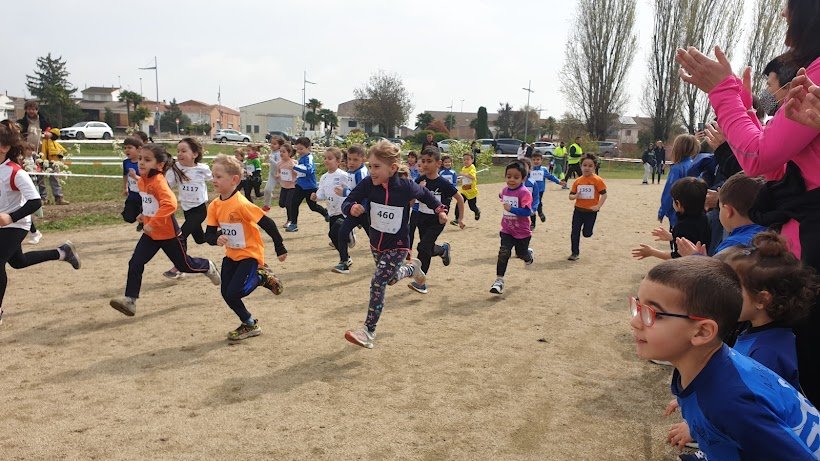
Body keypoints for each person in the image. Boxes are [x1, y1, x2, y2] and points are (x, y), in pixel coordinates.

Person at [677, 0, 820, 405]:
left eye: (789, 8)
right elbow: (779, 168)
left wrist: (724, 95)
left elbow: (759, 157)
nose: (783, 16)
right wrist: (740, 107)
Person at [631, 256, 820, 460]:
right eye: (638, 306)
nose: (634, 321)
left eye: (655, 313)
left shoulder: (730, 403)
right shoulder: (715, 366)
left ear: (702, 332)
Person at [341, 141, 444, 349]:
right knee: (390, 279)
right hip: (376, 243)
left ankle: (368, 331)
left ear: (393, 169)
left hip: (397, 245)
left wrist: (439, 209)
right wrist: (351, 207)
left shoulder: (405, 187)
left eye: (377, 166)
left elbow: (426, 195)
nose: (372, 171)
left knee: (378, 282)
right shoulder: (368, 184)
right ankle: (412, 268)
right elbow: (348, 200)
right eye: (370, 166)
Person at [108, 144, 221, 317]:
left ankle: (207, 266)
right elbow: (151, 204)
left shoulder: (159, 182)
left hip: (169, 235)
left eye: (147, 160)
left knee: (186, 265)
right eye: (140, 159)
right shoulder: (142, 180)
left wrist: (152, 222)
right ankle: (130, 301)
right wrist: (143, 216)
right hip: (151, 235)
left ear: (159, 165)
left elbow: (170, 204)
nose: (141, 163)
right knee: (135, 263)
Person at [0, 121, 80, 323]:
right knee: (18, 262)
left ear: (4, 147)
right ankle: (62, 252)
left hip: (16, 225)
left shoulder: (15, 172)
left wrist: (10, 217)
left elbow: (35, 201)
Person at [205, 154, 287, 341]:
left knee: (236, 291)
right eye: (213, 175)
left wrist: (279, 246)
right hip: (232, 255)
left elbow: (268, 223)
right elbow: (207, 235)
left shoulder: (241, 204)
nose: (213, 180)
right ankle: (249, 324)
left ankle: (261, 277)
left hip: (250, 254)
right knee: (227, 294)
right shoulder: (215, 206)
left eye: (218, 176)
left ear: (234, 180)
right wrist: (216, 237)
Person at [407, 147, 465, 293]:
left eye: (429, 161)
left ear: (438, 163)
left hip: (437, 220)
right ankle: (442, 250)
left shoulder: (444, 183)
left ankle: (420, 282)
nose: (425, 164)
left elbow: (460, 199)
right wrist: (417, 191)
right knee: (427, 248)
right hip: (421, 218)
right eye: (423, 161)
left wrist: (461, 219)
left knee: (423, 247)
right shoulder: (419, 180)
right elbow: (411, 202)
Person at [677, 172, 768, 257]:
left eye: (720, 208)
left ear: (728, 211)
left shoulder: (732, 246)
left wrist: (696, 259)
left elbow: (720, 273)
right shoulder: (769, 234)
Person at [163, 138, 213, 279]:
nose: (180, 154)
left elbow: (215, 179)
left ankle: (179, 267)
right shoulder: (175, 168)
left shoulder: (202, 169)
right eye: (178, 151)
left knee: (181, 237)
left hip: (199, 210)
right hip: (186, 209)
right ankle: (223, 232)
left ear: (195, 154)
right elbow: (166, 186)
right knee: (200, 239)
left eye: (184, 151)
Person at [632, 177, 710, 260]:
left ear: (678, 204)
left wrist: (652, 252)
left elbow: (677, 257)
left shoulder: (683, 226)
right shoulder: (703, 217)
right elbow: (691, 239)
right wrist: (672, 237)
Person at [489, 161, 534, 295]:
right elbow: (503, 197)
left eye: (516, 177)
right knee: (504, 252)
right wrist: (500, 196)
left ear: (523, 178)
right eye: (509, 176)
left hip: (522, 232)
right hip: (507, 230)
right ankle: (499, 281)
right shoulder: (504, 190)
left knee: (521, 254)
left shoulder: (524, 193)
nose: (512, 180)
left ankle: (528, 256)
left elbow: (527, 212)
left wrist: (512, 209)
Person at [311, 147, 352, 273]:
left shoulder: (344, 175)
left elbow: (353, 190)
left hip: (344, 212)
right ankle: (347, 257)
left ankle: (343, 262)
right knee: (333, 236)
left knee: (336, 233)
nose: (326, 161)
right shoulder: (324, 177)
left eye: (330, 158)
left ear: (338, 161)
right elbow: (322, 193)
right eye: (325, 158)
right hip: (332, 212)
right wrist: (316, 197)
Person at [567, 154, 607, 261]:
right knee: (574, 232)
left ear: (594, 167)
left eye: (590, 166)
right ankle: (574, 253)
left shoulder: (597, 180)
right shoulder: (578, 181)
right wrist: (575, 196)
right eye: (584, 165)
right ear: (581, 166)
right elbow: (570, 196)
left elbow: (604, 194)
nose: (587, 168)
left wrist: (598, 206)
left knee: (587, 233)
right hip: (578, 210)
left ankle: (588, 231)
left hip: (591, 211)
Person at [288, 137, 328, 232]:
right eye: (297, 148)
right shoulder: (301, 158)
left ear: (308, 148)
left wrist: (295, 167)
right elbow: (300, 172)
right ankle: (293, 224)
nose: (299, 151)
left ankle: (325, 212)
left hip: (310, 187)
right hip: (300, 186)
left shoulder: (309, 157)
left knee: (313, 206)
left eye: (301, 148)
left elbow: (309, 170)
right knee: (294, 204)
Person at [336, 144, 369, 255]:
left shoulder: (361, 173)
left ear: (363, 159)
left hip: (364, 211)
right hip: (354, 209)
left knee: (374, 237)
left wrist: (345, 192)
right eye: (349, 159)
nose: (351, 162)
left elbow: (362, 193)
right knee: (342, 232)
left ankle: (384, 259)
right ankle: (344, 261)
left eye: (355, 159)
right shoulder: (351, 171)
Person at [658, 135, 697, 229]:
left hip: (677, 214)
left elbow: (670, 192)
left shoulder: (677, 168)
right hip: (694, 212)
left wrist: (662, 211)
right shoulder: (695, 165)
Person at [528, 152, 564, 229]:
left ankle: (540, 212)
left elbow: (550, 177)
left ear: (541, 160)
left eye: (538, 159)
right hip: (530, 190)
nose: (536, 161)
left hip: (540, 190)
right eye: (534, 160)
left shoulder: (543, 170)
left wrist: (558, 181)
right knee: (531, 205)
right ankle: (533, 223)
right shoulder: (529, 170)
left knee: (537, 202)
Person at [38, 128, 68, 205]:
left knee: (55, 179)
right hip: (39, 159)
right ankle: (43, 198)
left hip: (52, 160)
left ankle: (59, 198)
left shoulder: (45, 123)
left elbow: (57, 132)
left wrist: (50, 134)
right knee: (40, 180)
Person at [121, 136, 144, 229]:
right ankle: (141, 218)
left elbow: (148, 180)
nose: (127, 150)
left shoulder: (143, 162)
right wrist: (125, 187)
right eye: (125, 148)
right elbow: (125, 175)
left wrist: (135, 177)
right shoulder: (126, 162)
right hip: (133, 193)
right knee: (128, 217)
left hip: (144, 194)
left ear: (139, 149)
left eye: (130, 148)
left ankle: (143, 221)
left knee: (146, 212)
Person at [452, 151, 480, 223]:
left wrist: (464, 174)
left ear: (472, 160)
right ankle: (457, 219)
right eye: (464, 159)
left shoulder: (472, 168)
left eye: (468, 159)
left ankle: (477, 211)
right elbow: (464, 178)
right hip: (464, 191)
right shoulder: (464, 168)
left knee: (472, 207)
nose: (466, 161)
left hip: (471, 192)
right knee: (459, 203)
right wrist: (459, 179)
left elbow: (472, 177)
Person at [262, 136, 284, 212]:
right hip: (272, 175)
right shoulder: (272, 152)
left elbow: (279, 164)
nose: (272, 145)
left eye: (274, 144)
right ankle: (266, 205)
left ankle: (288, 203)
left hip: (282, 175)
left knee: (286, 191)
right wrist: (266, 158)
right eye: (271, 143)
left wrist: (271, 160)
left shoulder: (280, 153)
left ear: (280, 146)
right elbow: (269, 161)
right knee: (267, 190)